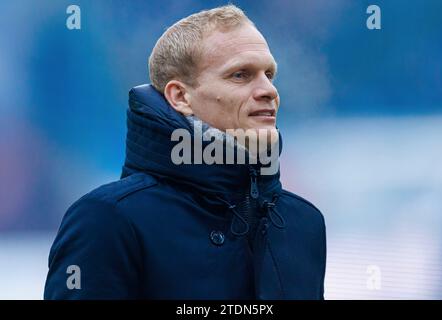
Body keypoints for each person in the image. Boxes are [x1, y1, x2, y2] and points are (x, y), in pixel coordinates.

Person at [44, 4, 326, 300]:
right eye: (241, 75)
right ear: (180, 97)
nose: (269, 90)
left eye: (269, 74)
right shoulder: (107, 220)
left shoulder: (303, 222)